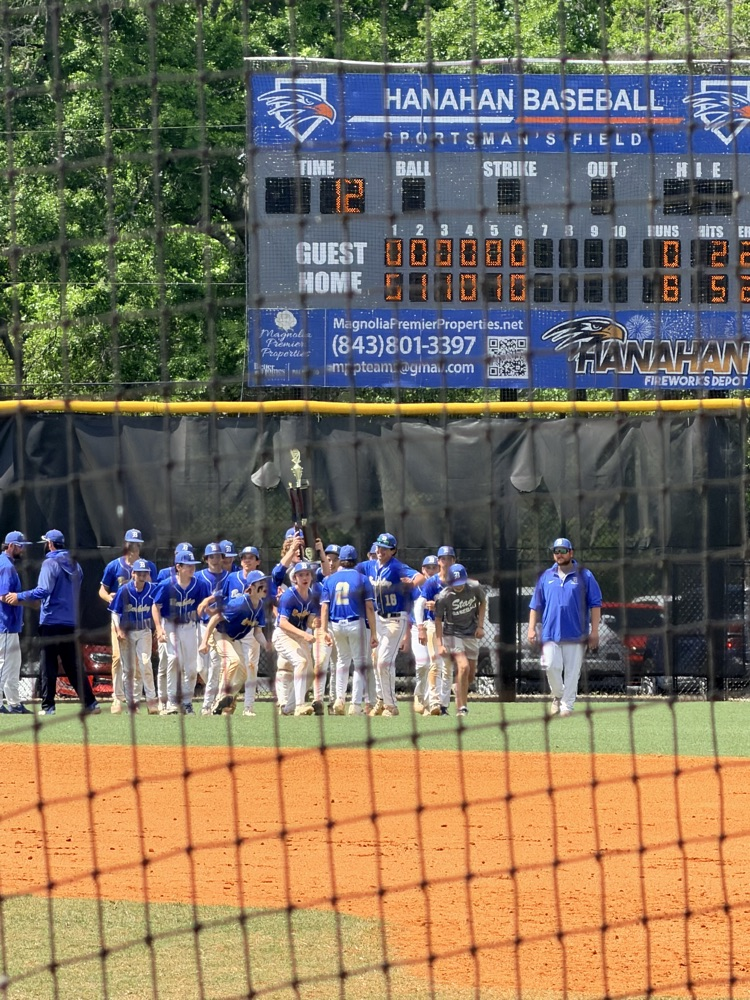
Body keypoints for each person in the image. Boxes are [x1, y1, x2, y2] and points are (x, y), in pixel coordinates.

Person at [5, 529, 100, 716]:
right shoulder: (76, 565)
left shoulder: (49, 563)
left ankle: (48, 707)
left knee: (48, 665)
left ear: (49, 544)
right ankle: (91, 703)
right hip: (70, 623)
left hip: (50, 622)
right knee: (73, 666)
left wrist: (19, 596)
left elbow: (43, 590)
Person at [527, 537, 602, 718]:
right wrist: (531, 628)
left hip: (576, 633)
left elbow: (595, 604)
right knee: (550, 666)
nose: (559, 554)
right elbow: (535, 605)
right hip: (550, 633)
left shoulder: (585, 575)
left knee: (572, 672)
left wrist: (594, 631)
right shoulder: (546, 576)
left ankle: (567, 706)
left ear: (571, 552)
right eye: (556, 551)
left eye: (563, 551)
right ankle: (558, 695)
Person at [360, 532, 424, 718]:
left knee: (383, 662)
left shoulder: (396, 567)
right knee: (376, 660)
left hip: (395, 619)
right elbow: (348, 571)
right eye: (379, 547)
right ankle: (381, 700)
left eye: (385, 548)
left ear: (393, 551)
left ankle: (391, 705)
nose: (380, 551)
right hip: (378, 619)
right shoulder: (370, 566)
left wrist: (411, 583)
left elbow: (420, 577)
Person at [99, 529, 157, 714]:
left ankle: (136, 700)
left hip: (141, 621)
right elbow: (102, 591)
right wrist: (110, 599)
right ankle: (118, 697)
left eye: (137, 544)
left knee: (142, 663)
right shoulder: (114, 566)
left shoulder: (148, 566)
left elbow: (154, 594)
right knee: (118, 658)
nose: (133, 547)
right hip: (121, 620)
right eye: (130, 544)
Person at [198, 570, 270, 716]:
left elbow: (257, 632)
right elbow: (215, 618)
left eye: (265, 582)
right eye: (260, 583)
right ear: (251, 587)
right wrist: (204, 642)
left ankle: (227, 699)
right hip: (219, 634)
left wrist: (267, 645)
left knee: (244, 673)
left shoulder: (260, 606)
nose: (264, 586)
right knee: (233, 661)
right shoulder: (240, 603)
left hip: (232, 638)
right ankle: (220, 698)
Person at [319, 545, 378, 715]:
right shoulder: (362, 579)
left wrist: (324, 630)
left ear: (340, 560)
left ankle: (339, 699)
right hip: (355, 623)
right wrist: (374, 632)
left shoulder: (330, 579)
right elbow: (369, 607)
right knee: (359, 664)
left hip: (336, 625)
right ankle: (355, 704)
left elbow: (324, 607)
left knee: (342, 662)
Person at [152, 550, 210, 714]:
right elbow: (155, 606)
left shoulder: (199, 584)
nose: (192, 568)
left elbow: (207, 602)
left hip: (190, 627)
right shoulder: (167, 584)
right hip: (171, 626)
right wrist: (159, 628)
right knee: (174, 659)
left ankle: (187, 702)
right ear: (178, 567)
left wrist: (209, 604)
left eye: (193, 565)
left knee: (191, 668)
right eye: (188, 565)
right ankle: (171, 702)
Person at [273, 561, 330, 716]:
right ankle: (299, 705)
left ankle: (288, 708)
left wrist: (314, 623)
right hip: (283, 634)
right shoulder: (289, 595)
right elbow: (282, 622)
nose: (304, 577)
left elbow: (310, 621)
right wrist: (305, 634)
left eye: (307, 574)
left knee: (310, 673)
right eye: (300, 575)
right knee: (301, 662)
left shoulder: (312, 596)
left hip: (298, 635)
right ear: (294, 578)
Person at [434, 564, 486, 717]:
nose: (458, 586)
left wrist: (480, 626)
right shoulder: (444, 596)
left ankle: (458, 687)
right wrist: (440, 644)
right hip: (452, 634)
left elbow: (483, 603)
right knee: (463, 667)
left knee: (470, 675)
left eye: (461, 582)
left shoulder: (475, 587)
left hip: (470, 633)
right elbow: (438, 620)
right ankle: (462, 707)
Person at [110, 558, 160, 714]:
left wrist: (158, 627)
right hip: (127, 632)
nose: (142, 576)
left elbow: (160, 605)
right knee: (129, 669)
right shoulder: (124, 590)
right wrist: (118, 629)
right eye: (139, 573)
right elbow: (115, 612)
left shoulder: (152, 589)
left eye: (145, 573)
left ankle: (151, 701)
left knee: (145, 663)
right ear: (133, 574)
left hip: (144, 630)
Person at [418, 545, 456, 715]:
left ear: (454, 560)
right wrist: (420, 626)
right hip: (433, 624)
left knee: (448, 667)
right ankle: (433, 701)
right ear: (439, 561)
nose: (446, 562)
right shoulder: (432, 582)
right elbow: (420, 604)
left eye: (449, 558)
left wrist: (440, 605)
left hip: (451, 626)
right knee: (435, 662)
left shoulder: (457, 581)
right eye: (443, 558)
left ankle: (444, 705)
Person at [0, 531, 34, 714]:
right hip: (4, 624)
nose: (23, 549)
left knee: (13, 665)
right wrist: (26, 599)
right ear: (11, 546)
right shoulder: (6, 566)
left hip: (10, 625)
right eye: (21, 546)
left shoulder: (7, 563)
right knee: (4, 664)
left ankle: (14, 703)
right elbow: (3, 596)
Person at [410, 554, 439, 714]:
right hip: (417, 628)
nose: (431, 570)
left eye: (434, 567)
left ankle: (429, 703)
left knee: (434, 665)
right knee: (422, 664)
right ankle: (419, 695)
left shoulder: (441, 586)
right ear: (423, 569)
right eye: (428, 568)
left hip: (436, 628)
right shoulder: (416, 589)